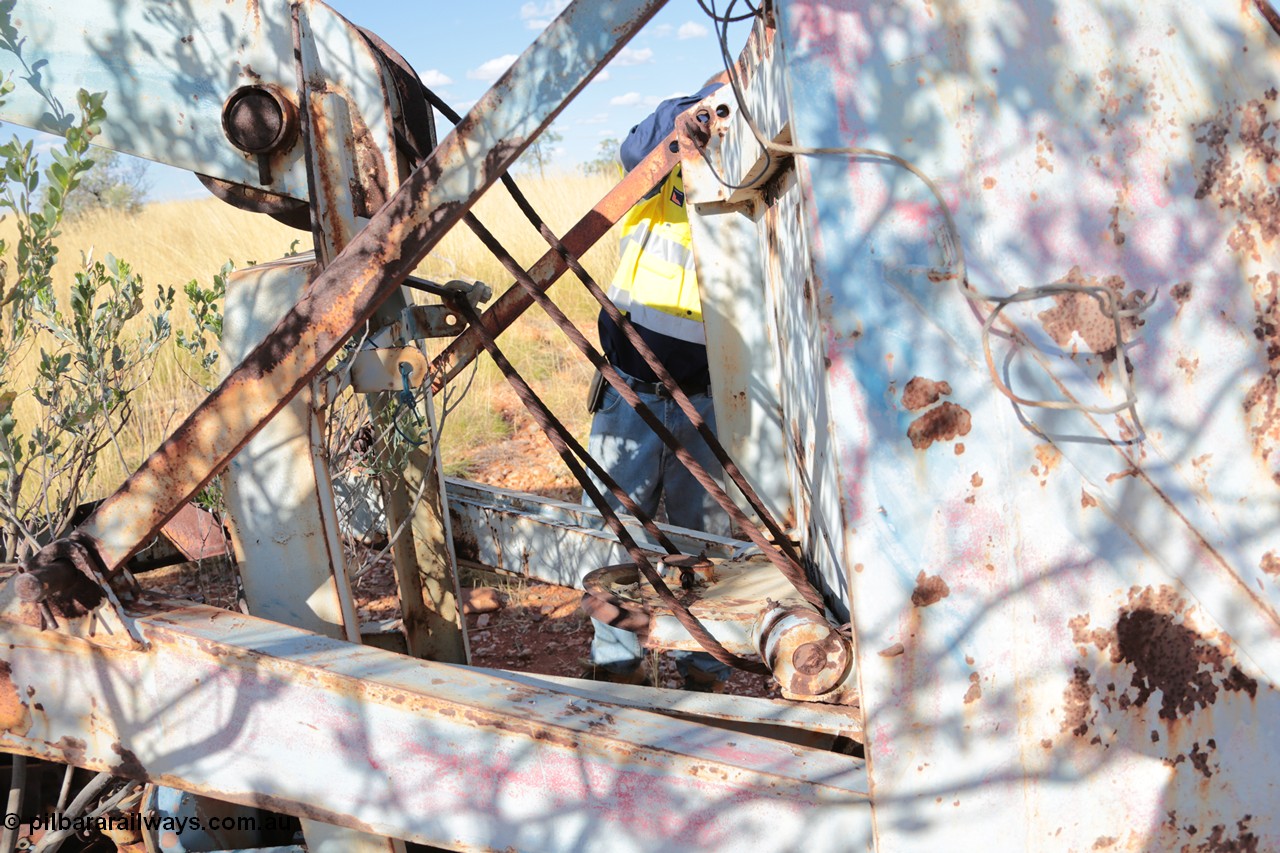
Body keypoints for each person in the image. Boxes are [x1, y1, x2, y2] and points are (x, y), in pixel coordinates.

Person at [583, 81, 733, 692]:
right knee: (621, 535)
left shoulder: (749, 185)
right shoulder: (666, 156)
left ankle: (704, 671)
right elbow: (635, 146)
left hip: (707, 397)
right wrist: (692, 116)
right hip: (632, 390)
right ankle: (620, 670)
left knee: (704, 541)